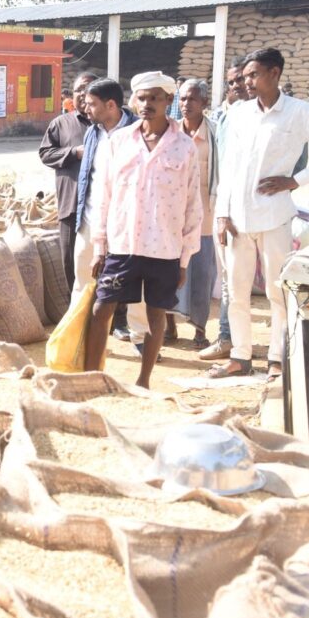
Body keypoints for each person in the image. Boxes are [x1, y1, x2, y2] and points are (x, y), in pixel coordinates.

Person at [211, 48, 309, 380]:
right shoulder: (240, 113)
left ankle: (277, 357)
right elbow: (229, 167)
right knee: (237, 291)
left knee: (278, 291)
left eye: (253, 75)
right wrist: (222, 213)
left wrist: (296, 180)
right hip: (237, 219)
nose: (247, 82)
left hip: (274, 215)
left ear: (274, 73)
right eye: (245, 76)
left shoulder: (299, 112)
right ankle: (240, 356)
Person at [85, 71, 203, 389]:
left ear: (168, 100)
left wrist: (184, 260)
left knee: (156, 315)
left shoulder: (185, 147)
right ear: (134, 100)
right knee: (101, 308)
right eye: (141, 98)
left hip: (164, 247)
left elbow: (193, 203)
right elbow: (103, 195)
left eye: (155, 98)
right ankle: (90, 378)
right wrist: (99, 246)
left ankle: (144, 381)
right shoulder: (119, 142)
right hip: (122, 244)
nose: (147, 104)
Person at [73, 78, 150, 356]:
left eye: (91, 104)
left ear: (111, 105)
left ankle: (141, 337)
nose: (85, 108)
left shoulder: (139, 132)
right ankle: (78, 338)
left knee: (135, 283)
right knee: (83, 281)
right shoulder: (93, 132)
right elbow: (90, 178)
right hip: (91, 219)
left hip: (127, 223)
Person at [200, 57, 249, 362]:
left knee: (273, 285)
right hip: (226, 208)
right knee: (230, 280)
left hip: (264, 209)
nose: (237, 86)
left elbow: (298, 160)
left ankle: (277, 352)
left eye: (241, 79)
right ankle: (228, 339)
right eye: (231, 82)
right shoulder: (225, 117)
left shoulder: (278, 115)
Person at [169, 79, 219, 349]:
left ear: (204, 103)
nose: (186, 104)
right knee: (167, 273)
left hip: (204, 218)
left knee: (201, 275)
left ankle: (200, 330)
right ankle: (169, 328)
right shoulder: (170, 132)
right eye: (183, 99)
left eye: (192, 99)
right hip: (171, 218)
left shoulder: (216, 135)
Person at [39, 71, 97, 293]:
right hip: (71, 206)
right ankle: (75, 308)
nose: (82, 94)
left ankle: (112, 311)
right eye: (78, 90)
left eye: (87, 88)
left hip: (103, 209)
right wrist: (74, 153)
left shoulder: (109, 125)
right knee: (70, 262)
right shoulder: (61, 124)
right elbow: (45, 154)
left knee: (105, 264)